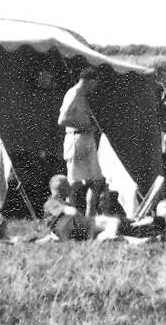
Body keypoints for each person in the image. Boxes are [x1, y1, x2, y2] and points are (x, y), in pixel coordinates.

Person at [58, 67, 107, 216]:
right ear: (89, 81)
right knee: (75, 183)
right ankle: (70, 218)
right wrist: (85, 126)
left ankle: (89, 217)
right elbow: (62, 120)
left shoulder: (82, 95)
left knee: (96, 181)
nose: (94, 87)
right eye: (94, 84)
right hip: (76, 139)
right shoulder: (73, 94)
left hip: (86, 139)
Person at [43, 174, 122, 241]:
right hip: (72, 226)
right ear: (63, 188)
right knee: (113, 221)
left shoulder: (51, 204)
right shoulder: (52, 203)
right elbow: (72, 211)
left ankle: (106, 237)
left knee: (100, 229)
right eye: (67, 184)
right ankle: (109, 237)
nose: (70, 187)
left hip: (66, 232)